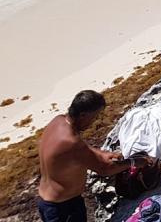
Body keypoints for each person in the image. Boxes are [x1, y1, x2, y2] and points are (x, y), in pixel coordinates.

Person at [38, 90, 149, 222]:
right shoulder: (71, 142)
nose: (94, 121)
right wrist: (134, 162)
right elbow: (104, 169)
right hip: (62, 208)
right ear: (83, 115)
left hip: (50, 202)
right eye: (94, 117)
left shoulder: (59, 121)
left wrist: (102, 153)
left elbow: (81, 149)